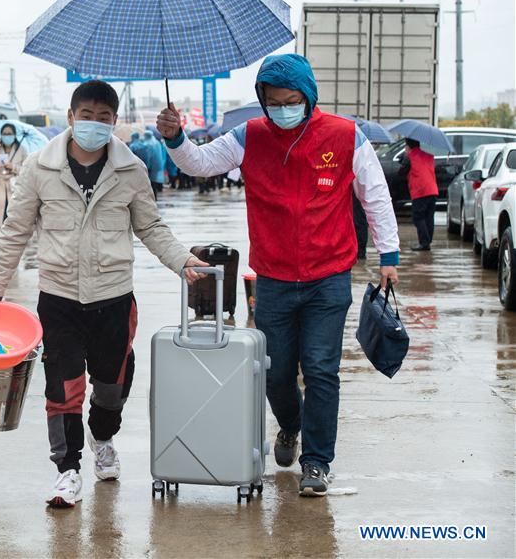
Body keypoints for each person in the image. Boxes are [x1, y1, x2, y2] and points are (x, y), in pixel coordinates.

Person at [157, 53, 401, 497]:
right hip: (273, 278)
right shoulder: (249, 136)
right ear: (262, 100)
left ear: (309, 98)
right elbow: (199, 163)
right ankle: (290, 424)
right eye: (273, 101)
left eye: (292, 101)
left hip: (329, 275)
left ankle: (317, 462)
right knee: (275, 373)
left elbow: (376, 195)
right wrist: (176, 139)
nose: (283, 109)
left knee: (322, 368)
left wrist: (389, 253)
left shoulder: (346, 137)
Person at [0, 80, 209, 508]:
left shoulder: (131, 169)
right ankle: (68, 470)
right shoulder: (39, 167)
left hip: (114, 299)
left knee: (111, 387)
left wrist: (181, 260)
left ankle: (103, 438)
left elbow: (151, 227)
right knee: (62, 387)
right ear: (71, 117)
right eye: (86, 115)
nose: (94, 124)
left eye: (104, 118)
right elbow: (16, 229)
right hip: (59, 298)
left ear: (114, 123)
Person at [0, 123, 27, 227]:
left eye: (9, 134)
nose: (7, 136)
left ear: (14, 135)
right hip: (0, 187)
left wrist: (14, 167)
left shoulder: (21, 150)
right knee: (0, 218)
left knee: (14, 218)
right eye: (4, 134)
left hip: (15, 186)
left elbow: (27, 171)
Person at [399, 138, 438, 251]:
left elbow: (402, 172)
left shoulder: (410, 157)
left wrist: (405, 155)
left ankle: (424, 243)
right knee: (429, 217)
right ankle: (428, 241)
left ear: (408, 146)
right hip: (432, 189)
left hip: (420, 190)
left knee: (418, 217)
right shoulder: (428, 156)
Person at [142, 131, 166, 199]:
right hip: (157, 165)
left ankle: (152, 197)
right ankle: (155, 196)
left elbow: (149, 157)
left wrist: (147, 165)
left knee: (150, 183)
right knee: (154, 181)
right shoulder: (156, 142)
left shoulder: (148, 144)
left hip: (150, 166)